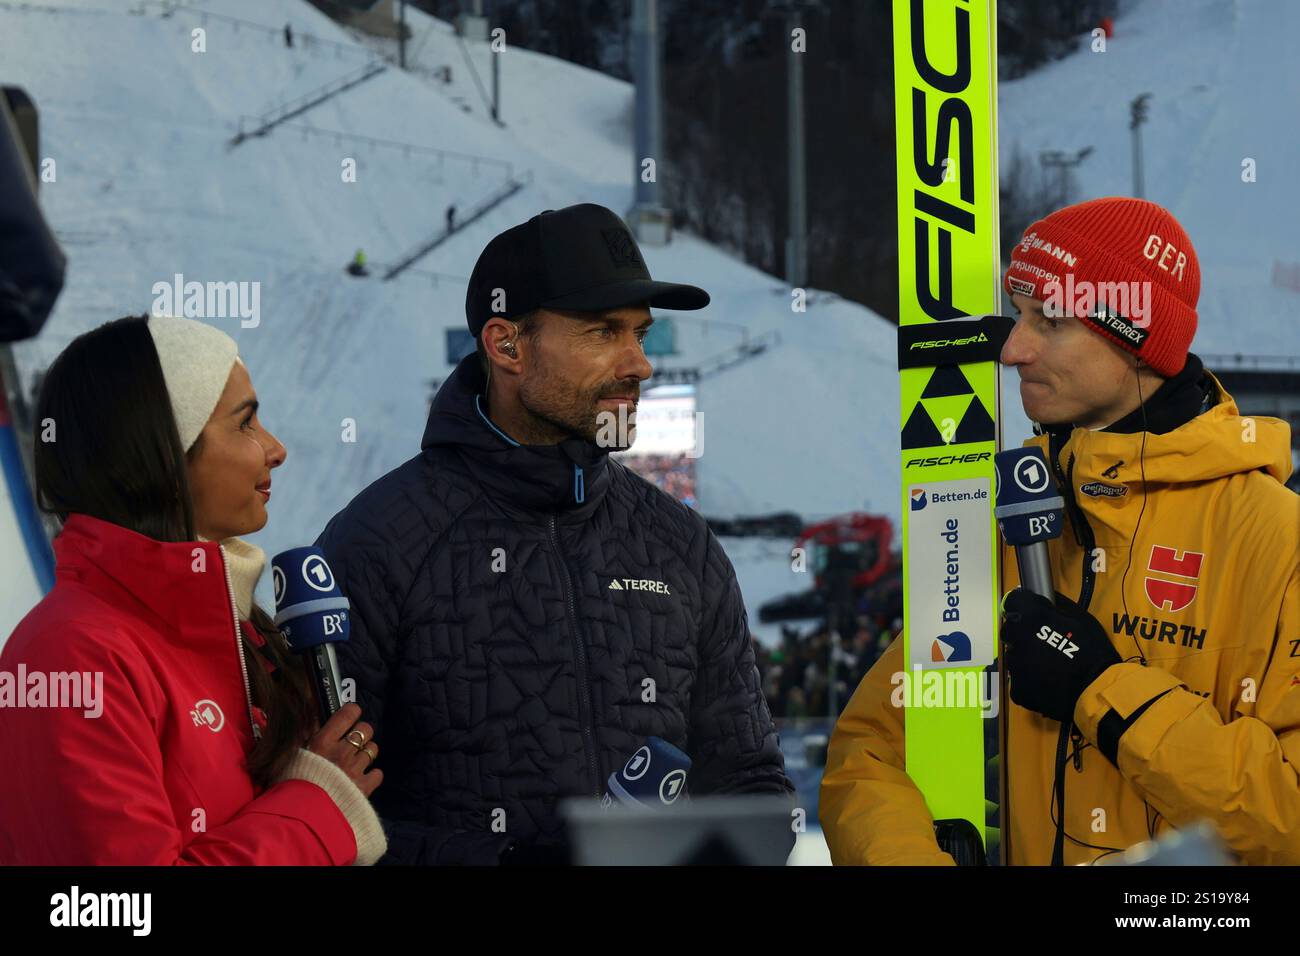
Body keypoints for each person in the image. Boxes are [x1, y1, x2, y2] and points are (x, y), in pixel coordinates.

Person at [821, 197, 1300, 865]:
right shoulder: (1004, 515)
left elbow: (1289, 816)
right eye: (1019, 314)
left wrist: (1101, 690)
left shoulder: (1277, 538)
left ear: (1131, 333)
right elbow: (869, 751)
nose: (1013, 349)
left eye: (1050, 320)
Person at [317, 203, 796, 864]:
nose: (640, 364)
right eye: (604, 332)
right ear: (507, 344)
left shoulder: (680, 544)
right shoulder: (376, 543)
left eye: (641, 333)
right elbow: (321, 819)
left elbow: (749, 782)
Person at [0, 315, 387, 865]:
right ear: (159, 451)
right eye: (245, 423)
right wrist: (317, 811)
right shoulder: (71, 655)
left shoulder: (237, 630)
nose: (275, 449)